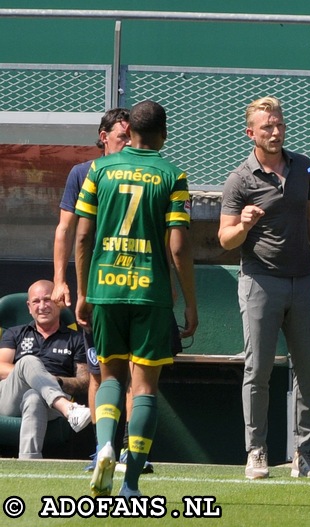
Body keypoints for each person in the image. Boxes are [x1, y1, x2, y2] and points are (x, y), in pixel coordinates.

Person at [75, 99, 198, 498]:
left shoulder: (99, 170)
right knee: (144, 387)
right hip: (150, 292)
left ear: (128, 132)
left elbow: (81, 235)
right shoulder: (174, 176)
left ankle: (105, 444)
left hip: (105, 288)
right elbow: (178, 247)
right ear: (163, 133)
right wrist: (190, 302)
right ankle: (130, 481)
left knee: (109, 375)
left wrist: (82, 291)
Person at [218, 96, 310, 480]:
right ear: (250, 132)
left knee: (309, 368)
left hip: (303, 280)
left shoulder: (303, 167)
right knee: (258, 371)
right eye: (267, 127)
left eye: (279, 124)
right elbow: (225, 239)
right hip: (259, 282)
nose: (275, 131)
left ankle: (305, 453)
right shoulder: (239, 179)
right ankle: (256, 451)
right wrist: (245, 224)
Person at [51, 108, 142, 472]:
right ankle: (103, 448)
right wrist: (61, 280)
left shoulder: (147, 171)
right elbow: (68, 230)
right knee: (100, 371)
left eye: (132, 137)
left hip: (138, 285)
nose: (128, 143)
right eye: (122, 136)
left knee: (138, 372)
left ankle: (134, 452)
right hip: (99, 287)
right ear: (103, 136)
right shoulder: (82, 173)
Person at [0, 280, 91, 459]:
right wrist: (33, 374)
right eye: (36, 301)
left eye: (47, 300)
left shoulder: (76, 339)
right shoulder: (15, 333)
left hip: (49, 405)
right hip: (8, 399)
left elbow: (85, 381)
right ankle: (68, 409)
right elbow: (1, 367)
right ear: (29, 306)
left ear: (59, 302)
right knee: (28, 362)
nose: (42, 306)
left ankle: (29, 464)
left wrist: (51, 381)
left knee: (34, 397)